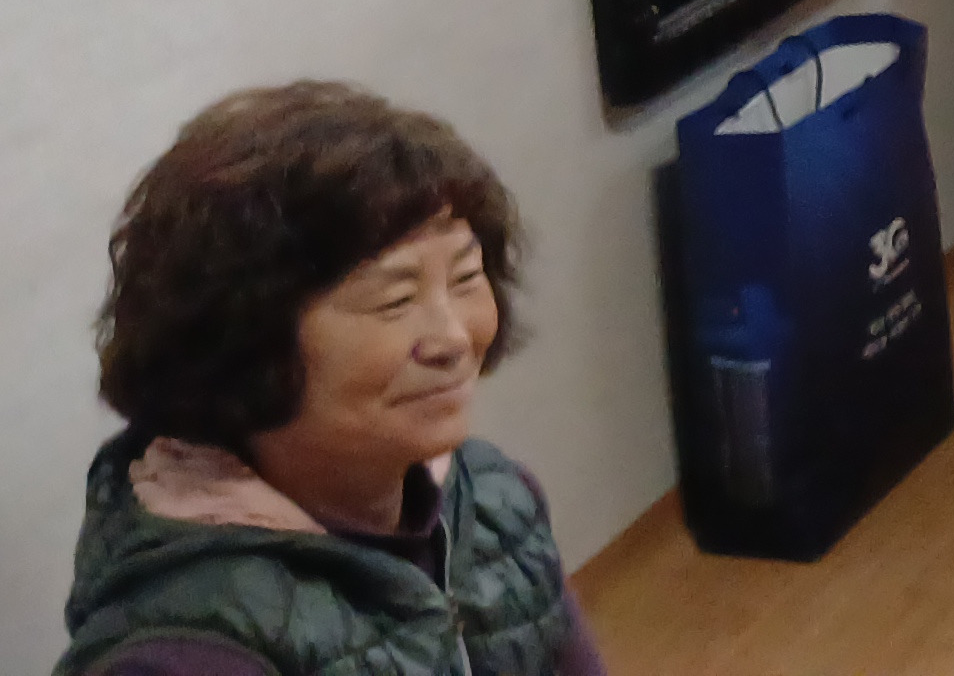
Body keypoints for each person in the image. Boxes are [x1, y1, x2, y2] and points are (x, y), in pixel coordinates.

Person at [60, 84, 604, 676]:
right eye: (395, 301)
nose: (451, 339)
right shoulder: (185, 656)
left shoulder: (495, 498)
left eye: (466, 278)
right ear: (244, 335)